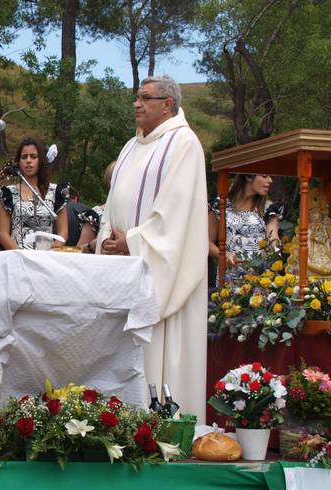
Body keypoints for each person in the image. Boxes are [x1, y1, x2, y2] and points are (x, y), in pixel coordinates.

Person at [97, 75, 208, 424]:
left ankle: (162, 429)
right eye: (137, 96)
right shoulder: (130, 146)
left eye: (146, 97)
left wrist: (131, 240)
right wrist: (106, 240)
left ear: (168, 105)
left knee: (159, 352)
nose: (137, 103)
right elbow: (110, 205)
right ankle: (120, 426)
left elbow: (176, 216)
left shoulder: (184, 143)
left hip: (160, 271)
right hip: (121, 267)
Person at [0, 137, 68, 249]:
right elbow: (3, 234)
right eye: (24, 157)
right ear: (19, 162)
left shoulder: (56, 191)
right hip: (18, 257)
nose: (28, 160)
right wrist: (21, 255)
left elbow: (63, 232)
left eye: (33, 157)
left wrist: (51, 253)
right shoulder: (8, 193)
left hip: (47, 257)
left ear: (42, 159)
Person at [208, 174, 279, 274]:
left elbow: (273, 238)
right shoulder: (220, 206)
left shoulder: (269, 208)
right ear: (249, 176)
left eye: (270, 176)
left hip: (262, 279)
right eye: (264, 176)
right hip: (230, 278)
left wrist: (277, 250)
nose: (270, 180)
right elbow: (207, 242)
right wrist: (224, 255)